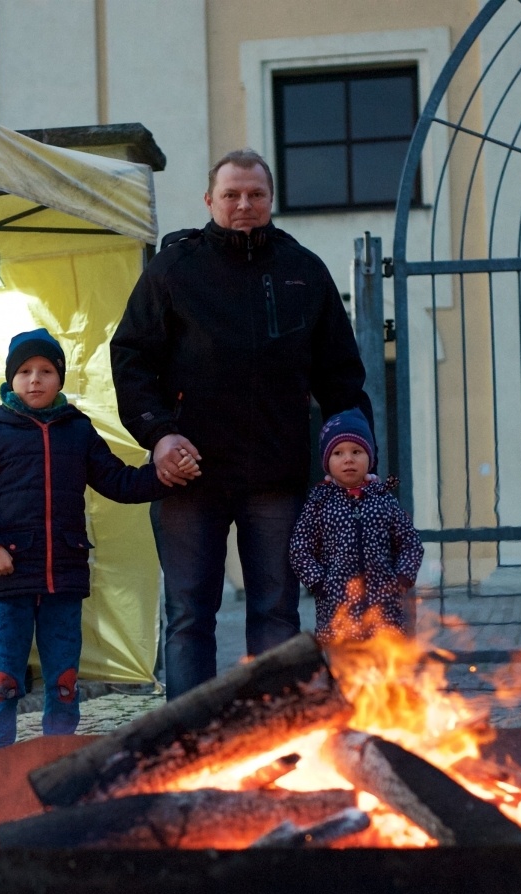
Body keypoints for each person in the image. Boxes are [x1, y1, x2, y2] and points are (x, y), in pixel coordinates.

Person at [110, 148, 372, 697]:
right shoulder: (174, 269)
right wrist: (159, 434)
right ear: (210, 200)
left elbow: (341, 377)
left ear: (271, 199)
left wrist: (355, 454)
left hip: (275, 478)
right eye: (231, 194)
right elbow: (131, 359)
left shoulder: (304, 271)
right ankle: (188, 750)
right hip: (188, 477)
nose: (244, 204)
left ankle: (277, 736)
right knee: (188, 617)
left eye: (255, 194)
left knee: (277, 614)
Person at [0, 328, 180, 749]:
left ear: (60, 379)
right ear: (10, 380)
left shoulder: (78, 431)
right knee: (5, 675)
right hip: (10, 578)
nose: (34, 379)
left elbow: (117, 480)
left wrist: (163, 476)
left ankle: (59, 753)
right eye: (24, 371)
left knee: (64, 677)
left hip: (64, 578)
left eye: (44, 370)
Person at [290, 409, 422, 642]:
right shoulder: (319, 503)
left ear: (369, 458)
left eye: (357, 451)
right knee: (345, 669)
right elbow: (300, 548)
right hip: (338, 612)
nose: (348, 459)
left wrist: (402, 578)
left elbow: (410, 542)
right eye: (338, 453)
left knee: (385, 669)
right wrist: (320, 583)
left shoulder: (383, 499)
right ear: (327, 462)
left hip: (385, 610)